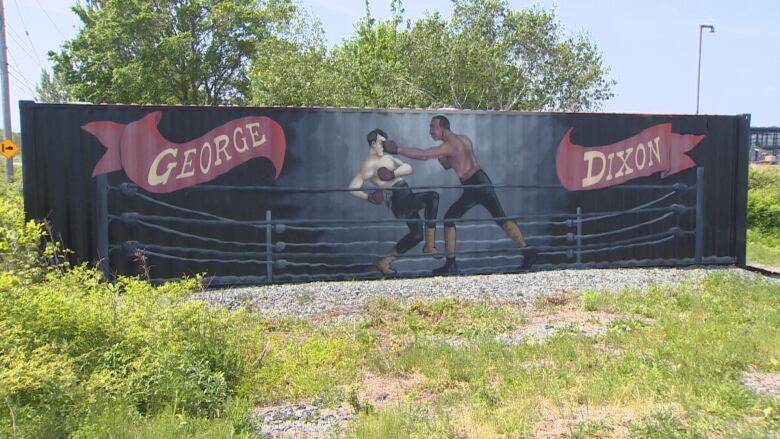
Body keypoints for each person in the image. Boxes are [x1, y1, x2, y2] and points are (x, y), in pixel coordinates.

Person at [383, 115, 529, 275]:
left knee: (450, 219)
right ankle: (527, 252)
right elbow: (453, 163)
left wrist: (398, 149)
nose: (430, 131)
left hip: (473, 185)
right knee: (499, 216)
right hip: (481, 180)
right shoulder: (463, 139)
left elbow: (424, 155)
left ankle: (451, 265)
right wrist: (444, 160)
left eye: (433, 127)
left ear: (442, 128)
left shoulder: (450, 145)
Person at [349, 129, 441, 276]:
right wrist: (368, 197)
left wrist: (394, 173)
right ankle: (430, 245)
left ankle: (384, 262)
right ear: (373, 144)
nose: (384, 146)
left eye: (386, 142)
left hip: (407, 196)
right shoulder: (368, 164)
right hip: (399, 199)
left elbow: (408, 168)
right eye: (381, 143)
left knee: (417, 235)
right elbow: (352, 188)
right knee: (432, 197)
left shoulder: (387, 158)